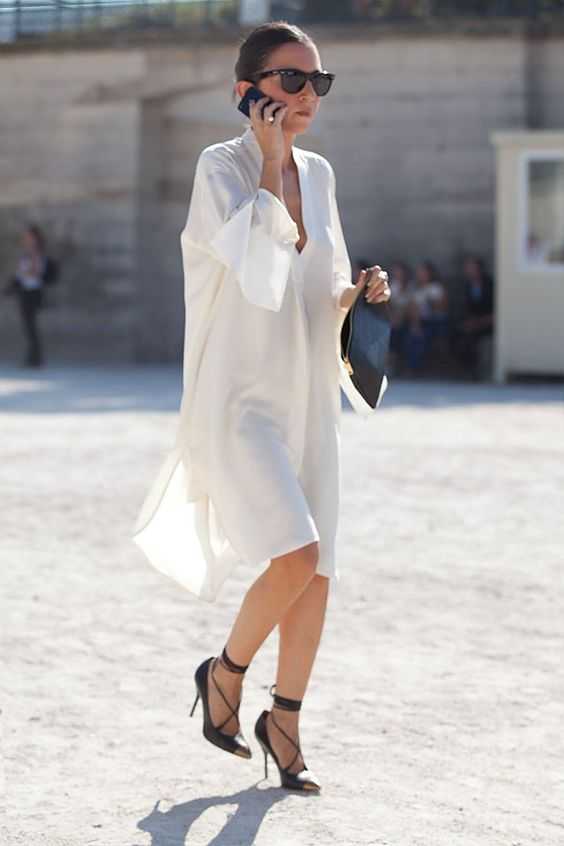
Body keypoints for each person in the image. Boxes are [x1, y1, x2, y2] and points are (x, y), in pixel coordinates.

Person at [131, 20, 391, 792]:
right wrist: (271, 161)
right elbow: (258, 271)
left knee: (319, 572)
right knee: (296, 554)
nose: (308, 94)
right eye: (291, 79)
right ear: (246, 91)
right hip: (239, 399)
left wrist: (359, 293)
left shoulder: (322, 173)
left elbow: (317, 284)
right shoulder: (221, 167)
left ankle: (286, 721)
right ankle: (225, 671)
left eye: (319, 82)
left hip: (308, 395)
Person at [3, 223, 57, 367]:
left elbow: (36, 273)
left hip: (33, 293)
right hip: (25, 292)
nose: (26, 239)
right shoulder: (26, 255)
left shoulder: (37, 254)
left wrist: (29, 272)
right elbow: (20, 276)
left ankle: (35, 358)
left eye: (29, 237)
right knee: (28, 326)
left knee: (31, 326)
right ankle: (33, 356)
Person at [452, 255, 494, 378]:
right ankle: (464, 369)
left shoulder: (490, 285)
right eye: (467, 268)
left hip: (487, 323)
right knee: (455, 335)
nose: (468, 271)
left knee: (470, 339)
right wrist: (468, 322)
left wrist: (480, 322)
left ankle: (475, 371)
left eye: (471, 268)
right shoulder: (466, 286)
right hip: (472, 322)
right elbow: (465, 308)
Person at [403, 260, 448, 375]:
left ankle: (420, 368)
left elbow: (442, 307)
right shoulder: (414, 288)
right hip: (417, 321)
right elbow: (411, 307)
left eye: (423, 272)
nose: (421, 275)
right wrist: (415, 323)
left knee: (422, 338)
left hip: (434, 322)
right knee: (411, 337)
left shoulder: (436, 288)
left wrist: (429, 303)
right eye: (419, 272)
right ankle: (412, 368)